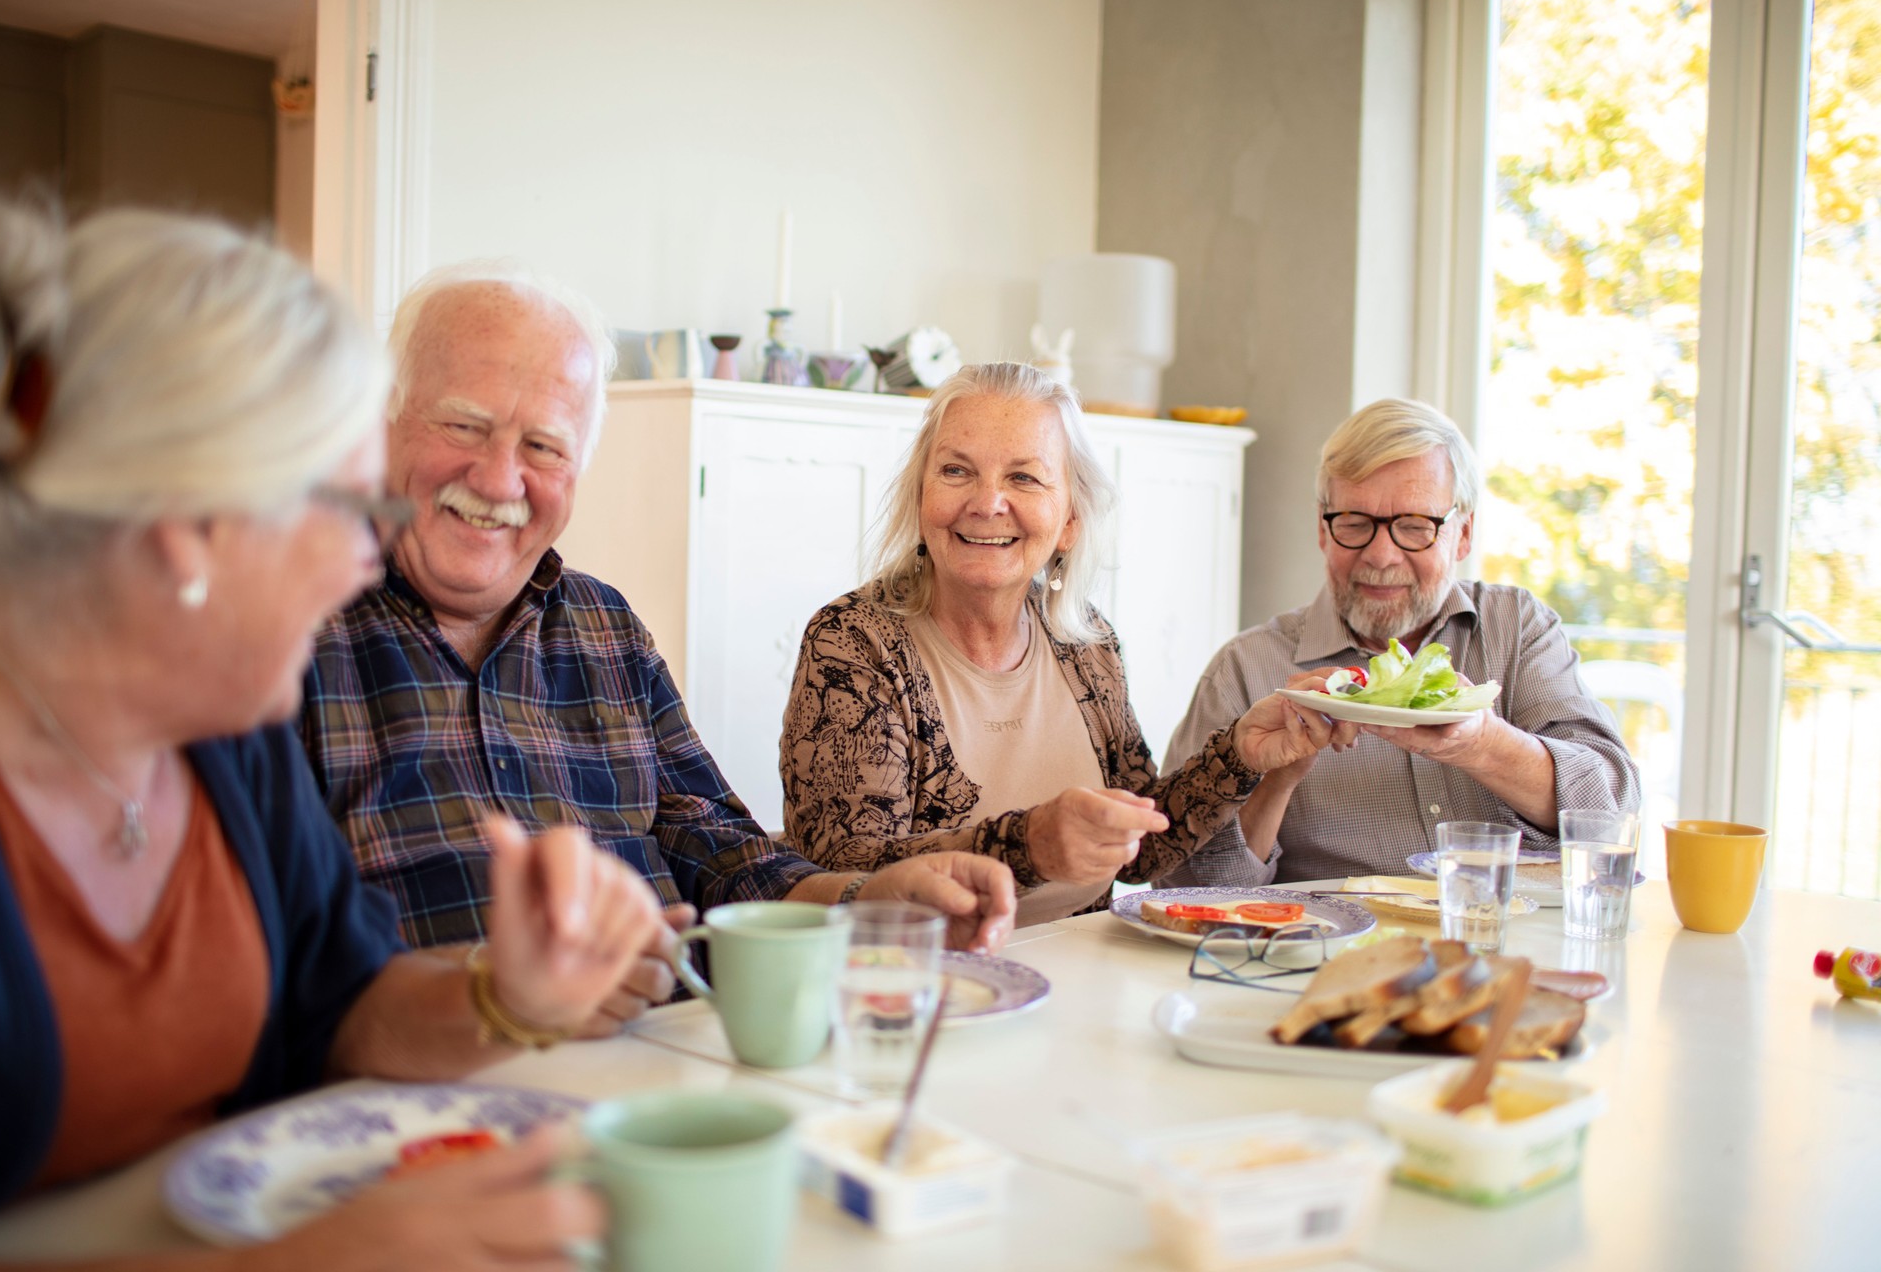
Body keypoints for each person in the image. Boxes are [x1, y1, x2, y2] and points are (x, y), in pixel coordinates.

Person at [0, 199, 656, 1260]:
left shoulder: (216, 732)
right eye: (348, 510)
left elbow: (349, 1004)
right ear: (192, 526)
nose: (365, 563)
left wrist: (503, 994)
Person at [298, 261, 1016, 988]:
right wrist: (495, 1002)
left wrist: (870, 900)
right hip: (438, 1088)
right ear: (379, 423)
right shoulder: (291, 634)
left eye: (543, 447)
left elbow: (718, 850)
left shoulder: (604, 627)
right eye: (463, 425)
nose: (497, 479)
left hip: (671, 1053)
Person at [778, 363, 1332, 924]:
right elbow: (848, 873)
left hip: (1079, 973)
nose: (987, 502)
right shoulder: (853, 642)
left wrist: (1240, 754)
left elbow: (1139, 849)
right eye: (955, 470)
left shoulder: (1085, 642)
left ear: (1069, 518)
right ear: (921, 497)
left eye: (1023, 477)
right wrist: (1031, 843)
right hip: (921, 981)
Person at [1157, 398, 1641, 886]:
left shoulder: (1517, 629)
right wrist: (1277, 778)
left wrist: (1481, 743)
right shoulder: (1247, 667)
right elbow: (1178, 889)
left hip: (1507, 941)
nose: (1382, 555)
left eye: (1414, 526)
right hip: (1332, 951)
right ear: (1322, 531)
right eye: (1355, 523)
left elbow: (1613, 810)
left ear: (1464, 533)